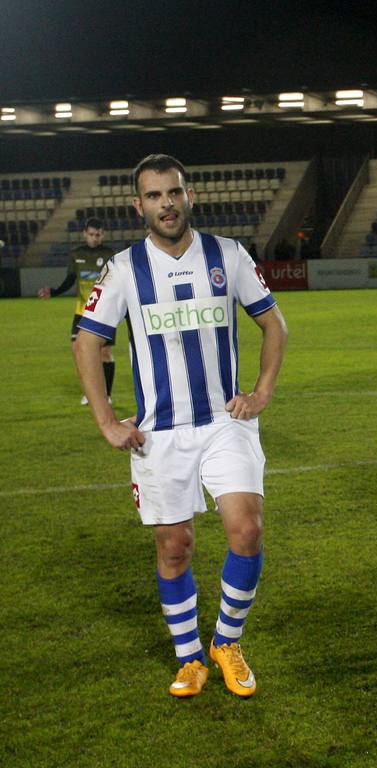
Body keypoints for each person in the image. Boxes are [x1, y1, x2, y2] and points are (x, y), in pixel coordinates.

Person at [72, 154, 288, 700]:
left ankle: (227, 642)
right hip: (158, 432)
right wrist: (105, 421)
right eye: (154, 196)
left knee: (248, 527)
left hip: (224, 420)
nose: (166, 204)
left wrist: (261, 391)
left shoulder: (228, 254)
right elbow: (87, 341)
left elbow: (273, 323)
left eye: (173, 193)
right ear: (138, 205)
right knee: (175, 547)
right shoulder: (123, 269)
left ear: (189, 196)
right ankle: (190, 657)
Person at [40, 218, 116, 405]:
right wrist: (55, 291)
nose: (94, 238)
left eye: (97, 235)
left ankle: (106, 395)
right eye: (91, 234)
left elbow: (116, 283)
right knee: (78, 351)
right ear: (84, 233)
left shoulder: (109, 254)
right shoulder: (76, 254)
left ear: (102, 235)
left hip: (104, 312)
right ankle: (90, 393)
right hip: (82, 312)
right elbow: (70, 279)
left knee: (104, 353)